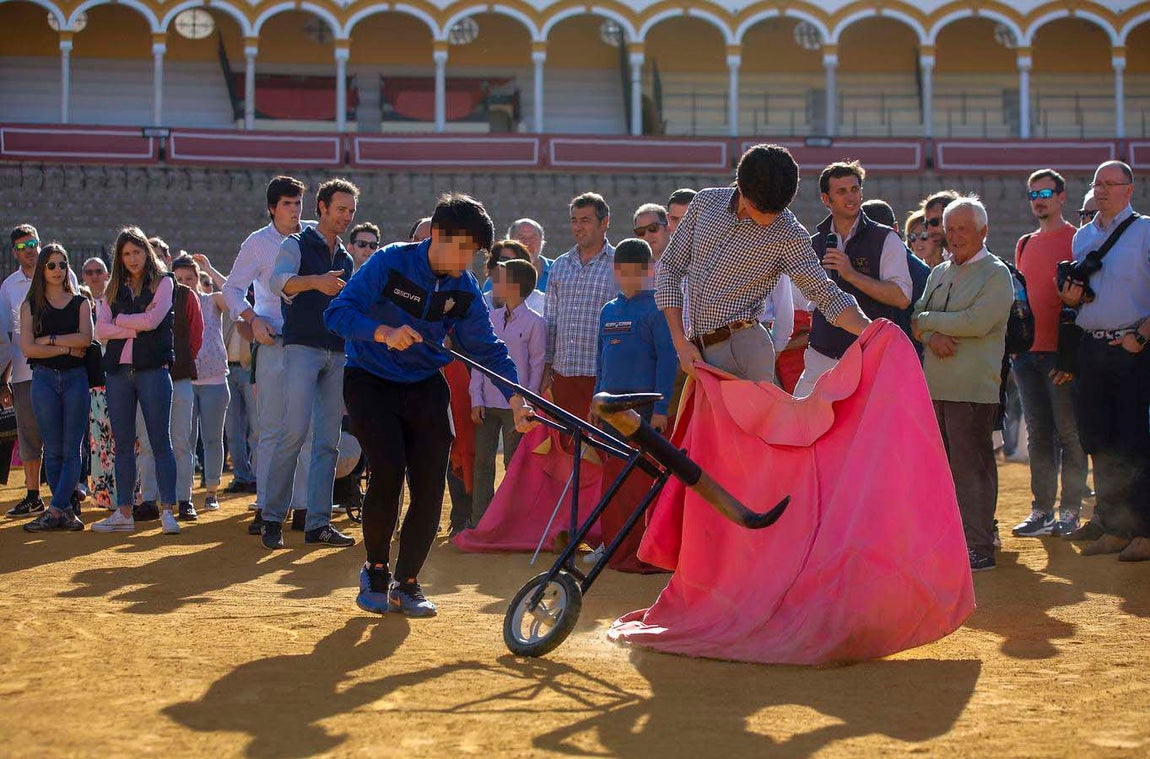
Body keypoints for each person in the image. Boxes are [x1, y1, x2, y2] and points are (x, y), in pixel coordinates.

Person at [325, 193, 536, 617]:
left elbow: (487, 349)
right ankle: (377, 571)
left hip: (424, 383)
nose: (467, 261)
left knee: (429, 485)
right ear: (438, 235)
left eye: (474, 254)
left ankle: (408, 583)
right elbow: (337, 313)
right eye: (462, 249)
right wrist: (383, 331)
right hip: (370, 379)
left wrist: (516, 395)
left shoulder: (464, 288)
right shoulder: (389, 262)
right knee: (387, 468)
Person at [656, 144, 870, 385]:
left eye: (778, 209)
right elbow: (670, 268)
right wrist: (680, 341)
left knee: (752, 423)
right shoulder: (705, 203)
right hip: (695, 350)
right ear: (742, 189)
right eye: (763, 209)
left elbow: (825, 293)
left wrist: (871, 331)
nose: (771, 218)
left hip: (744, 348)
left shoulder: (788, 232)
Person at [912, 196, 1015, 571]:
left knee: (971, 469)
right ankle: (954, 541)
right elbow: (915, 319)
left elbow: (976, 322)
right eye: (950, 228)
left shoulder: (996, 273)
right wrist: (929, 333)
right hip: (935, 387)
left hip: (972, 389)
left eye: (963, 229)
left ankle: (980, 546)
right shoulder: (939, 272)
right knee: (942, 469)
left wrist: (932, 323)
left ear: (983, 232)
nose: (954, 237)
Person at [264, 178, 360, 550]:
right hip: (302, 348)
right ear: (321, 207)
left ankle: (318, 523)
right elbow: (278, 283)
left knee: (328, 442)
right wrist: (316, 283)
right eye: (340, 209)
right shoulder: (296, 243)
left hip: (336, 352)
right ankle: (272, 518)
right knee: (293, 433)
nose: (346, 217)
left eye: (351, 211)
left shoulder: (347, 258)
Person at [1061, 161, 1150, 560]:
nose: (1102, 190)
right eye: (1097, 184)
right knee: (1098, 441)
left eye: (1110, 184)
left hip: (1133, 348)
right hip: (1091, 346)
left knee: (1134, 443)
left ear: (1129, 190)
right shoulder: (1082, 236)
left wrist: (1141, 336)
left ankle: (1144, 531)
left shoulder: (1146, 231)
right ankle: (1115, 527)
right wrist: (1072, 298)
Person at [222, 176, 313, 536]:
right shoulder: (257, 243)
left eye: (298, 204)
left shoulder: (313, 237)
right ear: (273, 207)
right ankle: (267, 506)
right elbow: (231, 289)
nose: (294, 210)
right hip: (274, 339)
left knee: (305, 426)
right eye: (287, 204)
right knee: (271, 427)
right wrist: (253, 318)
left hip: (308, 341)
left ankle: (305, 506)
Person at [1009, 169, 1089, 538]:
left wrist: (1072, 357)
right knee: (1038, 435)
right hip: (1027, 355)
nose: (1038, 199)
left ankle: (1071, 510)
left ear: (1061, 196)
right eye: (1032, 194)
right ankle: (1042, 510)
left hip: (1061, 354)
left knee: (1069, 434)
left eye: (1044, 192)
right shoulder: (1024, 243)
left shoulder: (1079, 240)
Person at [593, 238, 678, 573]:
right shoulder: (608, 310)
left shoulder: (657, 309)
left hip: (643, 409)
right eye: (623, 272)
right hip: (610, 409)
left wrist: (661, 409)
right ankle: (613, 546)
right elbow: (601, 359)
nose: (629, 278)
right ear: (615, 272)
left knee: (642, 482)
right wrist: (596, 398)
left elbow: (668, 363)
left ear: (650, 271)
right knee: (613, 480)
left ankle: (645, 550)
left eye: (636, 272)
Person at [794, 162, 912, 397]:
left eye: (855, 189)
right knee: (802, 430)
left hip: (869, 357)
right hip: (821, 357)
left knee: (868, 432)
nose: (851, 197)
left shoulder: (886, 238)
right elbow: (802, 301)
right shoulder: (814, 242)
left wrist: (851, 275)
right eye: (842, 191)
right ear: (826, 199)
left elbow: (901, 297)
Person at [91, 227, 181, 535]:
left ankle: (168, 510)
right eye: (126, 254)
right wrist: (133, 326)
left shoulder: (164, 281)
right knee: (123, 446)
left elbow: (154, 320)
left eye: (137, 252)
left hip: (153, 370)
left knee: (160, 443)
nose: (132, 258)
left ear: (147, 251)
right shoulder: (114, 288)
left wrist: (120, 321)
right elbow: (100, 331)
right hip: (118, 372)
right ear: (119, 257)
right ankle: (124, 511)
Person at [1, 225, 78, 517]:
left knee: (63, 435)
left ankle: (65, 497)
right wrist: (3, 380)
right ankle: (33, 496)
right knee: (29, 436)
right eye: (21, 247)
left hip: (63, 366)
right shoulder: (8, 287)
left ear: (40, 243)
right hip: (24, 373)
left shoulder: (62, 272)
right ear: (14, 252)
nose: (28, 250)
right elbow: (5, 337)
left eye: (32, 243)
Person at [469, 258, 545, 528]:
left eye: (500, 279)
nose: (494, 284)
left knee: (514, 466)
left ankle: (511, 523)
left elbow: (537, 365)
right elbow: (480, 361)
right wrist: (476, 398)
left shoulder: (536, 323)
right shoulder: (490, 318)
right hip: (487, 404)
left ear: (514, 286)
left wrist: (528, 404)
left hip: (517, 408)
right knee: (483, 464)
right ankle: (481, 521)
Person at [20, 243, 91, 532]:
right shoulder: (30, 305)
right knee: (52, 448)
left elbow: (85, 340)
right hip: (44, 379)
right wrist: (63, 345)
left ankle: (57, 509)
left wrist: (47, 341)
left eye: (63, 264)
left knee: (72, 447)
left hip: (76, 378)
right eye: (51, 265)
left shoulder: (81, 302)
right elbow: (27, 348)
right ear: (42, 269)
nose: (58, 270)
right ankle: (64, 510)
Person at [137, 252, 202, 522]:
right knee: (148, 443)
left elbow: (196, 336)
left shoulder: (186, 295)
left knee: (181, 442)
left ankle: (184, 499)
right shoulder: (136, 292)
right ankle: (149, 500)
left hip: (180, 377)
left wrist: (179, 362)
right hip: (145, 376)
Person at [543, 193, 617, 420]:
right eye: (574, 220)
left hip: (602, 376)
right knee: (565, 447)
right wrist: (546, 369)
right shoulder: (559, 265)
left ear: (605, 223)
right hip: (563, 374)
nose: (578, 227)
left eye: (585, 220)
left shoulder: (619, 265)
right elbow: (550, 320)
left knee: (601, 447)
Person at [180, 254, 231, 513]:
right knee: (185, 440)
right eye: (179, 279)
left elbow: (233, 295)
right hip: (183, 381)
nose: (185, 283)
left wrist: (210, 268)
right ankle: (184, 494)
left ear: (198, 279)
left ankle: (211, 491)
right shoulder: (170, 306)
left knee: (212, 439)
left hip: (214, 381)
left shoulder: (212, 301)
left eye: (189, 278)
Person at [81, 256, 119, 510]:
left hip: (117, 374)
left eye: (99, 271)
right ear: (83, 276)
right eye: (89, 272)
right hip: (91, 379)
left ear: (107, 274)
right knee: (97, 439)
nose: (94, 276)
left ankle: (126, 493)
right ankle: (104, 496)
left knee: (122, 438)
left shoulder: (115, 301)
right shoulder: (80, 303)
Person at [482, 240, 545, 314]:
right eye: (504, 260)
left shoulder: (540, 302)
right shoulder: (479, 303)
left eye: (517, 262)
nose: (511, 266)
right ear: (492, 267)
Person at [507, 218, 553, 291]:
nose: (527, 243)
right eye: (521, 238)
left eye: (532, 238)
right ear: (510, 242)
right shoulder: (499, 276)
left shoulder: (559, 270)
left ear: (542, 241)